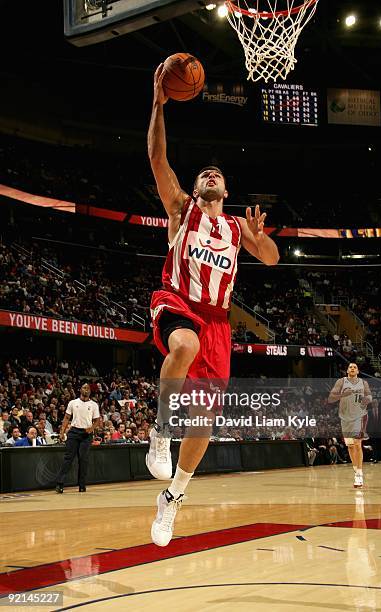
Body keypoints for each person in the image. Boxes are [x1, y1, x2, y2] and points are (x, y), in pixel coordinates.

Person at [145, 63, 280, 547]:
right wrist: (159, 106)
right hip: (178, 299)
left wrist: (260, 238)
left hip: (219, 323)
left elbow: (271, 258)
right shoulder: (181, 208)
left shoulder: (236, 228)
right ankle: (161, 430)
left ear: (224, 190)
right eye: (205, 172)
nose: (210, 175)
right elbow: (158, 161)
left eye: (217, 174)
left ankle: (173, 499)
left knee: (204, 422)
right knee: (183, 342)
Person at [328, 363, 372, 488]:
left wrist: (367, 399)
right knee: (351, 446)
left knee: (358, 444)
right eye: (350, 367)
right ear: (347, 370)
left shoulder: (363, 383)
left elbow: (369, 395)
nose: (352, 368)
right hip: (345, 418)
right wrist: (343, 395)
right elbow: (331, 398)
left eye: (355, 367)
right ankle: (356, 469)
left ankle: (359, 475)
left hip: (359, 416)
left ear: (357, 371)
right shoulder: (341, 382)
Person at [55, 383, 100, 493]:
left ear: (90, 391)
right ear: (80, 389)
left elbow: (97, 420)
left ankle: (82, 485)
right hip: (74, 432)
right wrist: (62, 432)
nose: (86, 390)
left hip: (86, 433)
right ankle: (60, 483)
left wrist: (92, 428)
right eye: (84, 388)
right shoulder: (73, 403)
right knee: (69, 458)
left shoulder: (94, 405)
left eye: (88, 389)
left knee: (83, 459)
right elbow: (66, 418)